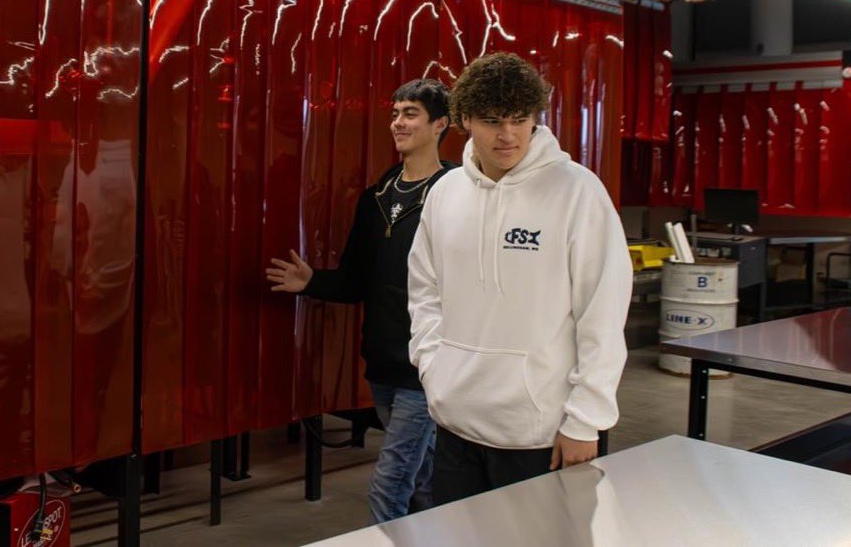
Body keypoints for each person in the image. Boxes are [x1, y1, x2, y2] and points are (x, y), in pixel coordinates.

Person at [406, 52, 630, 505]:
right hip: (455, 423)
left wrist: (587, 419)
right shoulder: (446, 193)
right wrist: (434, 368)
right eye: (491, 121)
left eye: (519, 120)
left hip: (543, 433)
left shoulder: (577, 191)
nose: (507, 135)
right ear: (465, 119)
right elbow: (424, 291)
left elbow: (602, 312)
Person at [267, 78, 457, 524]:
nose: (398, 122)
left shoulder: (457, 194)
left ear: (440, 125)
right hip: (382, 364)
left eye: (410, 113)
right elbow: (357, 281)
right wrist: (312, 281)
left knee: (389, 483)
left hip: (426, 367)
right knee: (422, 478)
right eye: (395, 113)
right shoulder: (376, 198)